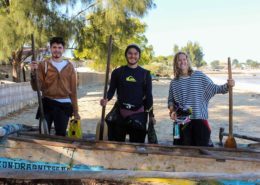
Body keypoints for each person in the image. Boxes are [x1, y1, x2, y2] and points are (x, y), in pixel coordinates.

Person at [168, 51, 235, 146]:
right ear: (176, 63)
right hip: (181, 122)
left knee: (202, 150)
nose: (182, 62)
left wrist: (228, 85)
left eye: (184, 59)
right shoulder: (174, 82)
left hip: (199, 120)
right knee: (182, 151)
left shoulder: (198, 76)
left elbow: (215, 88)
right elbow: (171, 101)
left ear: (188, 61)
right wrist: (172, 111)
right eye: (179, 60)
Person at [100, 44, 155, 143]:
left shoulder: (145, 74)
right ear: (126, 55)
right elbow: (111, 90)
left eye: (135, 54)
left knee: (137, 147)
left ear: (139, 56)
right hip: (120, 114)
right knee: (116, 145)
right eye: (130, 53)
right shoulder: (117, 72)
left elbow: (149, 96)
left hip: (138, 115)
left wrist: (151, 116)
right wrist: (106, 99)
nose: (132, 56)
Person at [30, 37, 80, 136]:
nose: (57, 50)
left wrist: (76, 111)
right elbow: (36, 87)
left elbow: (73, 91)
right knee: (43, 134)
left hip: (64, 106)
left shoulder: (70, 67)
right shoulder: (43, 65)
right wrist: (33, 73)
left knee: (61, 135)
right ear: (51, 48)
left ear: (63, 49)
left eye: (59, 47)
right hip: (47, 103)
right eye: (54, 47)